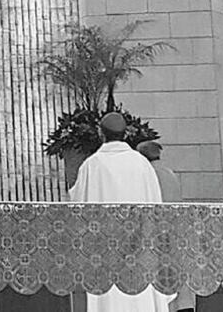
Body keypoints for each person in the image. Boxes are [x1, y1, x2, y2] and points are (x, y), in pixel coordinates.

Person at [70, 113, 170, 312]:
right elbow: (156, 206)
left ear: (101, 133)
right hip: (140, 248)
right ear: (125, 134)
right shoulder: (142, 164)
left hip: (105, 252)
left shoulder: (92, 165)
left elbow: (77, 206)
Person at [137, 141, 193, 312]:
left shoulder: (148, 174)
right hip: (176, 230)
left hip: (157, 232)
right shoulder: (169, 172)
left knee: (163, 278)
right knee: (178, 276)